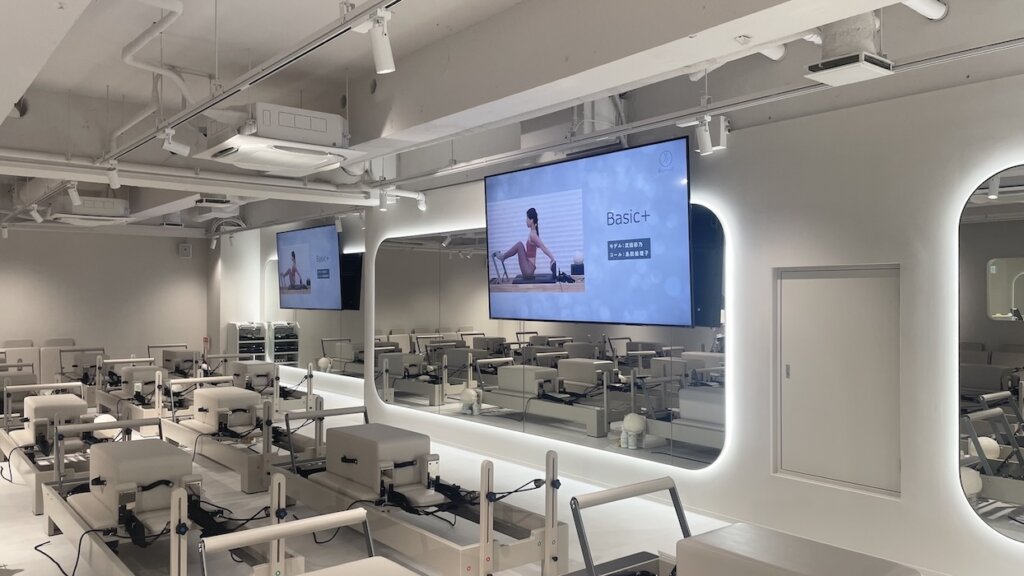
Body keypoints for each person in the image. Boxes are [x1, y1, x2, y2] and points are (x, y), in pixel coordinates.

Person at [493, 207, 557, 278]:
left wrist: (552, 258)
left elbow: (543, 247)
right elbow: (538, 247)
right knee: (520, 245)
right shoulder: (533, 233)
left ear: (531, 220)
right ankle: (503, 257)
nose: (525, 221)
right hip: (529, 267)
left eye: (527, 218)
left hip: (528, 270)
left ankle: (503, 257)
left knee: (519, 245)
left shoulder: (533, 235)